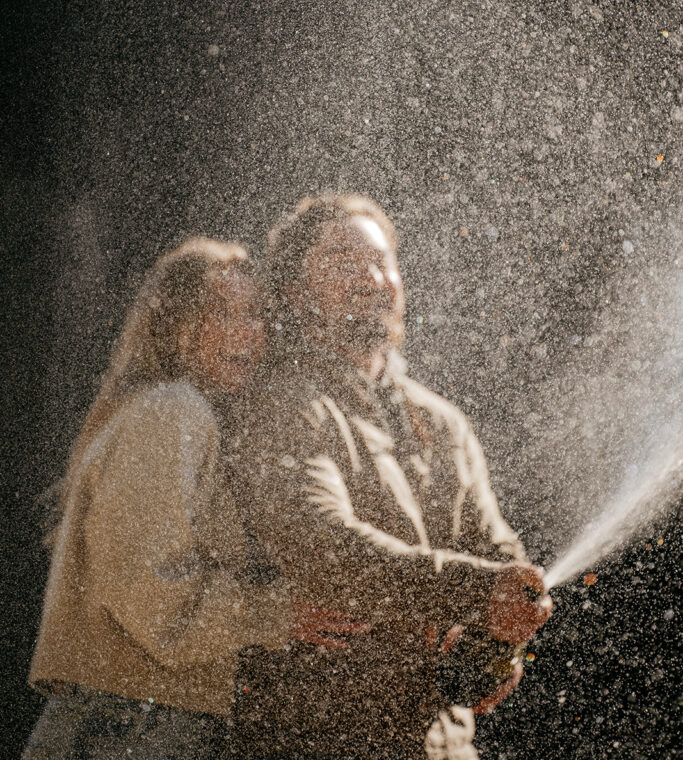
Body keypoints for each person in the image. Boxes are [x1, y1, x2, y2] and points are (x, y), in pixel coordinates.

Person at [228, 195, 552, 758]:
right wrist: (478, 592)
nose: (372, 277)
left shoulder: (442, 421)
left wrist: (504, 635)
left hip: (443, 745)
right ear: (297, 294)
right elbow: (324, 549)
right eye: (344, 262)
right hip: (318, 740)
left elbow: (500, 552)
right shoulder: (281, 404)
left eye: (381, 261)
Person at [24, 237, 362, 760]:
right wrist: (277, 612)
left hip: (132, 718)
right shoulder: (172, 411)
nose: (246, 332)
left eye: (255, 314)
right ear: (175, 324)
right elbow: (149, 591)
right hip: (129, 725)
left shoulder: (174, 411)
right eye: (221, 311)